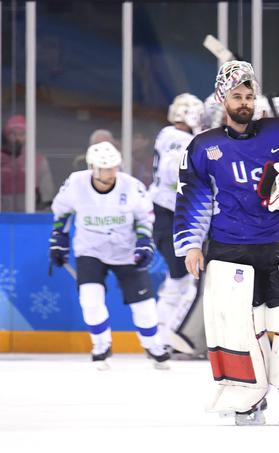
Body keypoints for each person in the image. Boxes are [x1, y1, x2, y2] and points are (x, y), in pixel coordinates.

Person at [173, 60, 279, 426]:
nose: (245, 102)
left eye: (249, 95)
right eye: (237, 96)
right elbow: (192, 198)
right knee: (238, 324)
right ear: (223, 99)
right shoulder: (204, 146)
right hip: (230, 247)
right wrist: (190, 244)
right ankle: (245, 397)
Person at [49, 141, 169, 370]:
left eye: (114, 167)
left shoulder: (131, 186)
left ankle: (153, 346)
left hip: (125, 250)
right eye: (105, 168)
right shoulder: (75, 183)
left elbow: (145, 218)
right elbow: (62, 212)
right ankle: (101, 345)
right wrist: (58, 240)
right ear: (93, 168)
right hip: (90, 249)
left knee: (144, 305)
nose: (111, 172)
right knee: (90, 299)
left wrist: (144, 242)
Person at [150, 93, 204, 353]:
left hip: (166, 213)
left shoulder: (166, 134)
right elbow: (173, 171)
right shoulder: (181, 140)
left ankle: (163, 336)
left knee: (181, 280)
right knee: (181, 281)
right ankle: (163, 338)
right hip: (170, 214)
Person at [1, 114, 55, 211]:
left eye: (22, 134)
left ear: (28, 136)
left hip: (30, 217)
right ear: (6, 136)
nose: (17, 139)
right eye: (13, 134)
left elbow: (47, 198)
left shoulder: (39, 161)